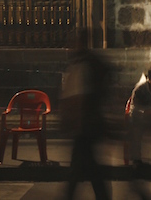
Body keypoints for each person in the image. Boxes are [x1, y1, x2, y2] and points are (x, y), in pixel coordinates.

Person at [61, 41, 111, 200]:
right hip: (90, 124)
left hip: (84, 126)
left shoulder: (80, 68)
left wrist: (75, 122)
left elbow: (78, 99)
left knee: (81, 168)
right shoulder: (88, 66)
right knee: (88, 167)